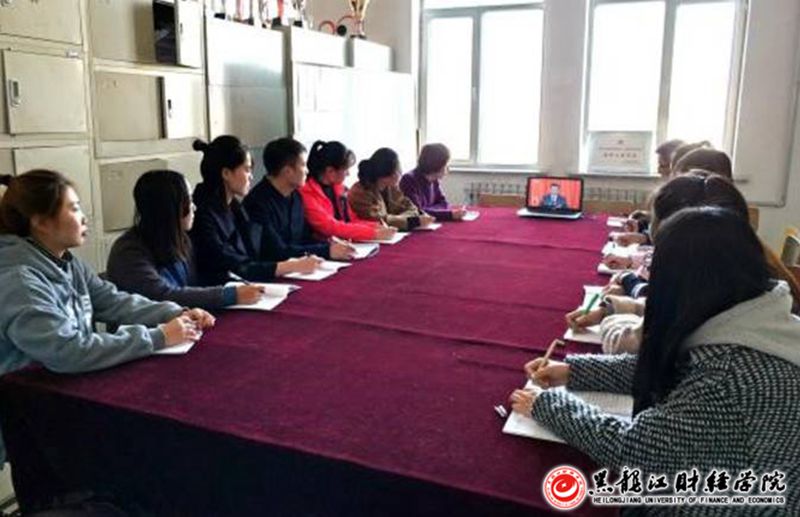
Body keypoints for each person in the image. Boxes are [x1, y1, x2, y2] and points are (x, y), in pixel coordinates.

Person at [512, 207, 800, 510]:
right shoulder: (753, 318)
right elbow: (674, 366)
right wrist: (573, 371)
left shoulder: (725, 376)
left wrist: (547, 405)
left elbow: (635, 451)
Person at [0, 170, 214, 462]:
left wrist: (176, 312)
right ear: (41, 222)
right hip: (26, 413)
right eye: (74, 208)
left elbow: (113, 301)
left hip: (59, 400)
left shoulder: (65, 262)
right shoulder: (20, 280)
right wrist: (158, 337)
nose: (85, 217)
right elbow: (68, 351)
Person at [107, 170, 265, 310]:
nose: (194, 207)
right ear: (170, 206)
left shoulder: (180, 238)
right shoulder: (128, 251)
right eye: (189, 200)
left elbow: (196, 281)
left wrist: (233, 282)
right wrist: (228, 295)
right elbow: (163, 296)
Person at [190, 136, 320, 286]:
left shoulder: (235, 207)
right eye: (246, 169)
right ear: (226, 173)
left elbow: (252, 255)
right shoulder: (202, 213)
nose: (251, 176)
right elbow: (232, 265)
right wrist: (289, 266)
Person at [243, 137, 355, 261]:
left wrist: (329, 244)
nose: (307, 171)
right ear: (287, 171)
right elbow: (277, 251)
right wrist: (326, 251)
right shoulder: (257, 203)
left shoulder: (295, 196)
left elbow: (303, 238)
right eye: (303, 165)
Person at [299, 140, 396, 242]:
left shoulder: (339, 189)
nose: (348, 174)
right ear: (330, 171)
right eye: (346, 169)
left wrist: (376, 226)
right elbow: (329, 227)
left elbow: (350, 220)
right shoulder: (307, 192)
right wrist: (373, 234)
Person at [348, 148, 435, 231]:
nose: (400, 173)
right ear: (389, 173)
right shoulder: (360, 192)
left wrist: (399, 219)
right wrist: (412, 221)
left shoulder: (391, 187)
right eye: (398, 169)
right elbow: (379, 221)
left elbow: (411, 208)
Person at [399, 143, 466, 221]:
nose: (448, 168)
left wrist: (429, 210)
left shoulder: (434, 180)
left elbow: (444, 203)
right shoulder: (408, 180)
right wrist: (449, 215)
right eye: (446, 164)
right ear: (437, 164)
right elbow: (418, 212)